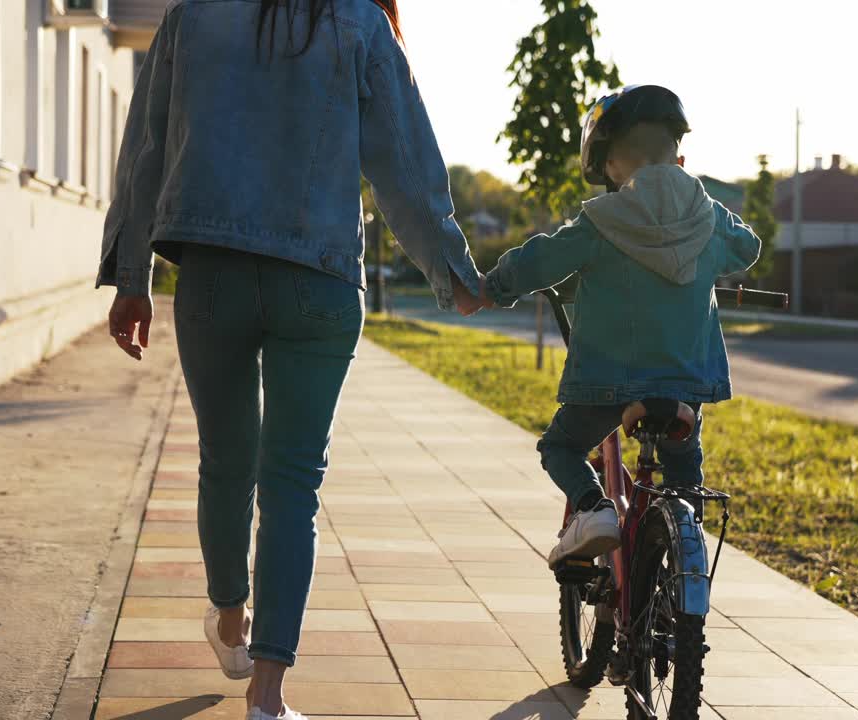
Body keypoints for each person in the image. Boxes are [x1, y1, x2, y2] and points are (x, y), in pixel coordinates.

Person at [97, 2, 486, 718]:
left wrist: (131, 279)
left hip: (211, 276)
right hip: (320, 279)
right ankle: (268, 699)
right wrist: (452, 275)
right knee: (292, 487)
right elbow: (404, 160)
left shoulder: (192, 17)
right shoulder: (360, 22)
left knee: (225, 462)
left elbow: (146, 149)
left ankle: (229, 620)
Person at [481, 85, 761, 568]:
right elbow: (748, 247)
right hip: (683, 384)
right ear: (678, 155)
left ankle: (592, 509)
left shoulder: (600, 222)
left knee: (561, 446)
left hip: (607, 385)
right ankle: (682, 549)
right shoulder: (707, 217)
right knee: (683, 472)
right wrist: (704, 206)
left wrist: (494, 287)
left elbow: (541, 261)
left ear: (607, 164)